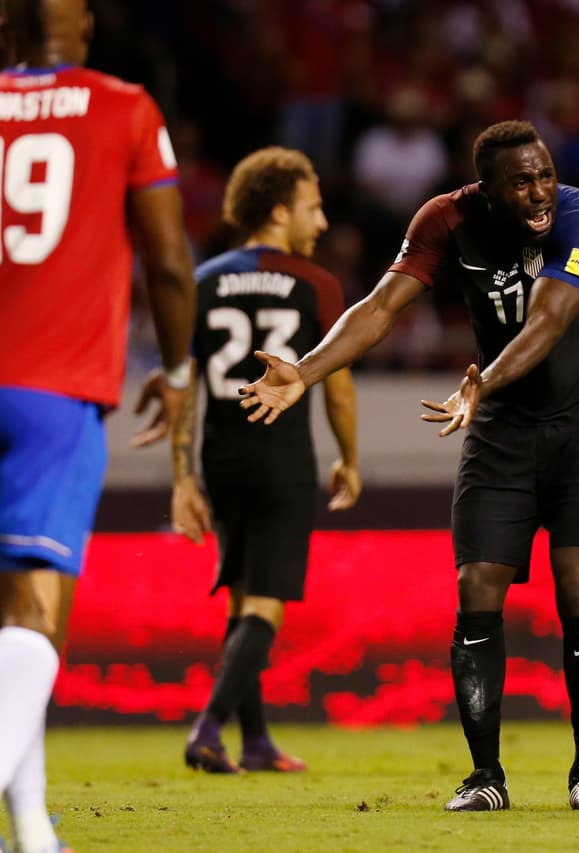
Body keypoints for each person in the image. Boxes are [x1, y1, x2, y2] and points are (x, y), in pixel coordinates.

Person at [237, 120, 579, 812]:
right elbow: (381, 307)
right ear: (488, 188)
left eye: (544, 174)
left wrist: (482, 383)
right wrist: (304, 369)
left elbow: (549, 320)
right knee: (477, 581)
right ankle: (485, 776)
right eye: (522, 181)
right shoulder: (445, 220)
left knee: (578, 581)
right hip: (501, 424)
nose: (540, 191)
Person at [0, 0, 198, 850]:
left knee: (7, 622)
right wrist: (181, 370)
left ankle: (32, 829)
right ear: (81, 24)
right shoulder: (124, 106)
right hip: (52, 389)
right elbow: (167, 259)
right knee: (37, 613)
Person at [170, 147, 361, 774]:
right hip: (281, 458)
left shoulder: (204, 280)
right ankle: (207, 729)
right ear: (280, 212)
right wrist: (350, 459)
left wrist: (182, 476)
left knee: (241, 598)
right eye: (314, 206)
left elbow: (183, 383)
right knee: (267, 603)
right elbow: (336, 384)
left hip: (221, 456)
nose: (323, 221)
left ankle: (254, 742)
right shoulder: (317, 283)